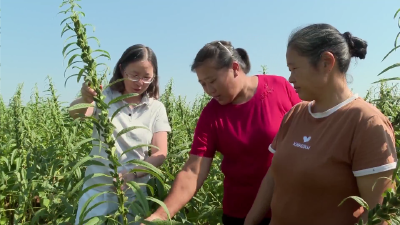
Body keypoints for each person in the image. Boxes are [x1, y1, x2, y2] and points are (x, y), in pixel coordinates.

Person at [244, 23, 398, 225]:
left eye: (295, 68)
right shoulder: (294, 115)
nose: (290, 78)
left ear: (326, 62)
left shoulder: (366, 122)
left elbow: (379, 215)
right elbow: (273, 176)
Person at [145, 40, 301, 225]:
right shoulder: (211, 115)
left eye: (212, 81)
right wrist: (159, 216)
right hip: (240, 214)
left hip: (290, 209)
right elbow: (193, 171)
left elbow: (309, 130)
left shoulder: (278, 86)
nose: (209, 91)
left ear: (235, 68)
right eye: (203, 84)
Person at [69, 44, 171, 224]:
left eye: (147, 77)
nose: (140, 83)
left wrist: (133, 173)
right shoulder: (105, 97)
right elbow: (75, 113)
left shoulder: (156, 108)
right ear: (122, 69)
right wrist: (86, 98)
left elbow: (160, 153)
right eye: (134, 75)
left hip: (133, 196)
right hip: (98, 195)